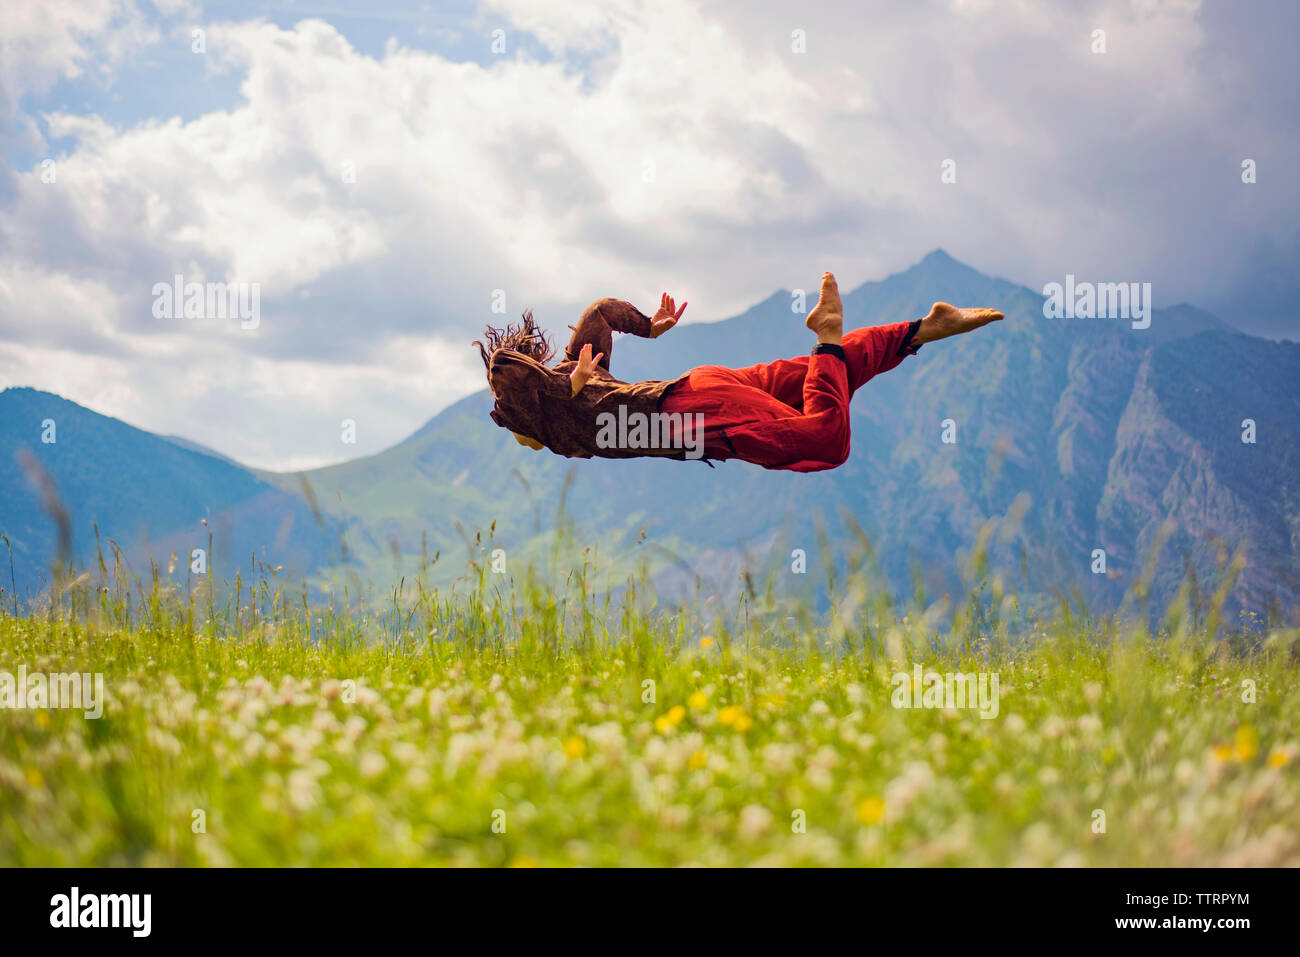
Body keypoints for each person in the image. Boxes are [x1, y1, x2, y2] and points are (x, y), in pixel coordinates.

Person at [473, 273, 1002, 471]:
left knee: (825, 440)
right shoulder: (576, 377)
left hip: (694, 417)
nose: (516, 436)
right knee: (807, 380)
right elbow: (601, 311)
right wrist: (648, 330)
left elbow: (506, 369)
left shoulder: (548, 408)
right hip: (702, 385)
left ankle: (828, 333)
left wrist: (567, 387)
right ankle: (922, 329)